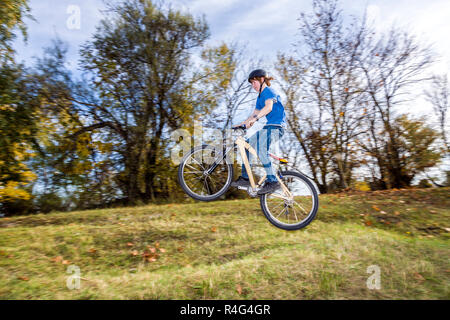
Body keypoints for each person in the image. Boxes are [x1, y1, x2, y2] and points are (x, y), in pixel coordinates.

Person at [231, 69, 286, 195]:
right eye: (251, 83)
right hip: (268, 127)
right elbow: (252, 117)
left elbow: (268, 107)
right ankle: (245, 178)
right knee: (246, 147)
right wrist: (240, 125)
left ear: (262, 80)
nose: (253, 86)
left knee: (261, 149)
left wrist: (255, 118)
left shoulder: (269, 92)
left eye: (254, 82)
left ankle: (273, 181)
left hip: (277, 127)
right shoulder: (259, 98)